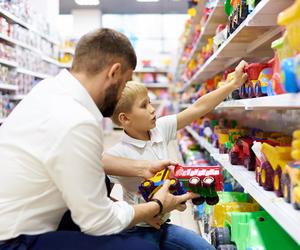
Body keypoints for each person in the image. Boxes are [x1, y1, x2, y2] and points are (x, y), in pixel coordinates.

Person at [0, 28, 198, 250]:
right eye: (124, 84)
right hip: (13, 241)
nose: (122, 93)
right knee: (142, 248)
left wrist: (143, 167)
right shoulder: (76, 121)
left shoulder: (49, 91)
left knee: (101, 182)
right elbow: (98, 222)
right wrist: (157, 205)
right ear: (114, 72)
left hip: (17, 218)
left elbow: (91, 160)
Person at [103, 60, 248, 250]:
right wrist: (132, 214)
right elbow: (100, 200)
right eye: (144, 105)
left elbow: (197, 108)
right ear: (125, 118)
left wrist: (232, 85)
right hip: (137, 229)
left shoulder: (160, 129)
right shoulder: (117, 155)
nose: (152, 108)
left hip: (164, 226)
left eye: (150, 102)